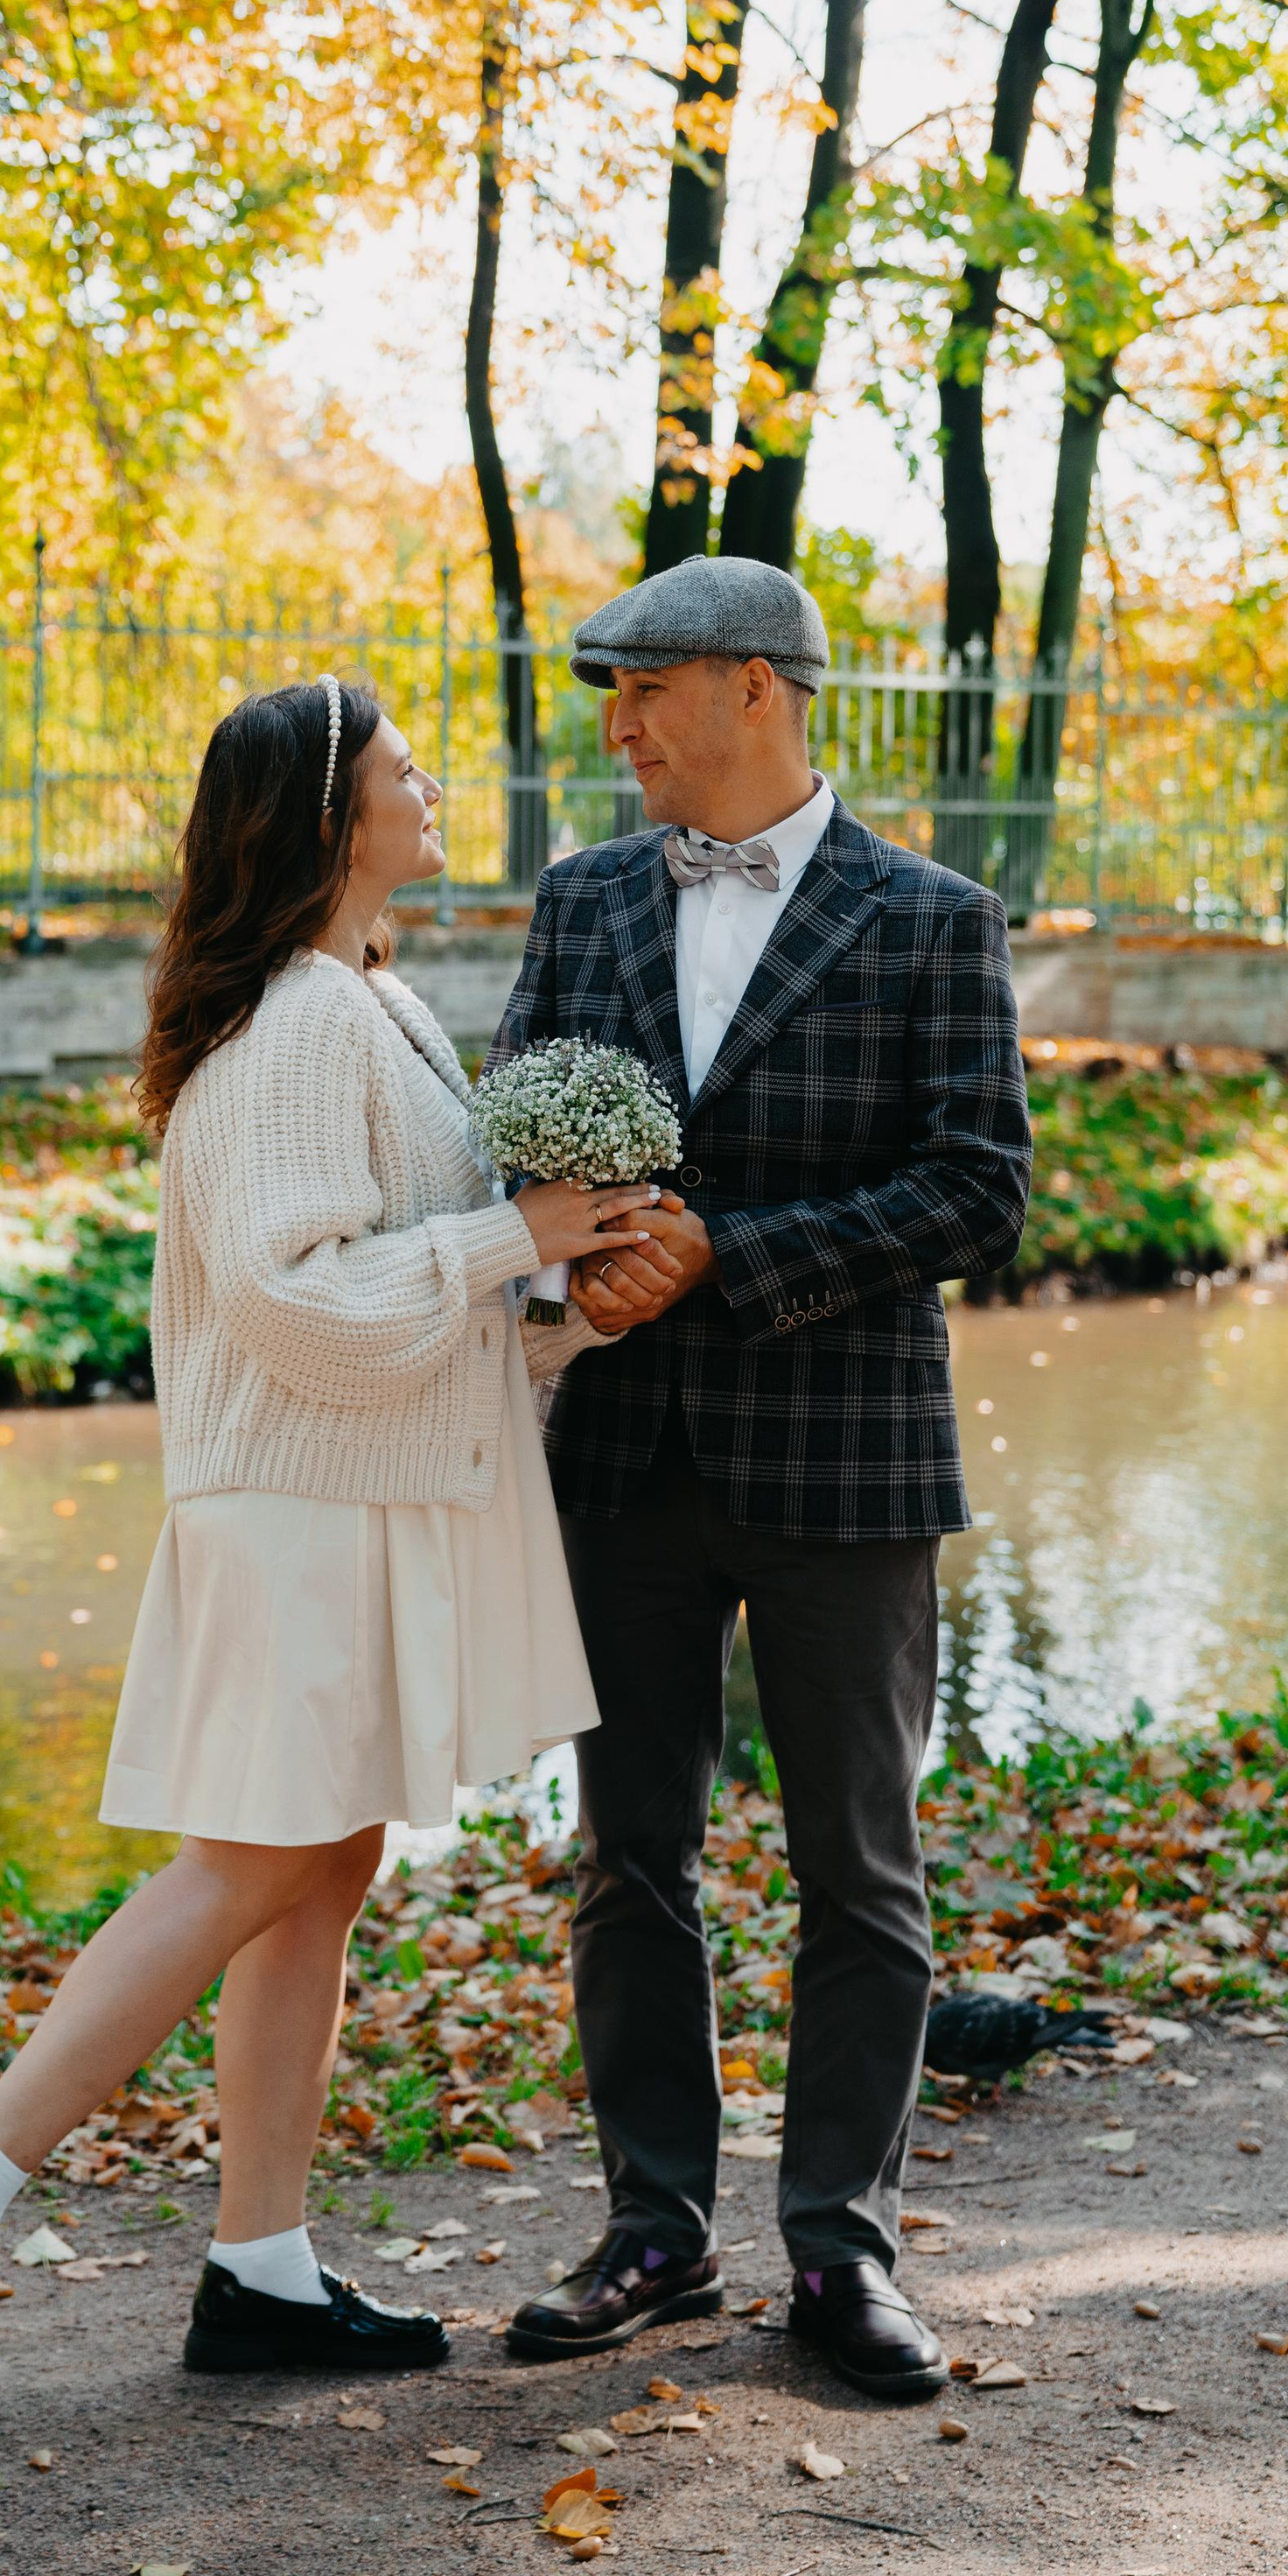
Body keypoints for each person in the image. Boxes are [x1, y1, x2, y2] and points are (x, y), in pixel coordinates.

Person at [0, 673, 655, 2407]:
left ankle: (258, 2266)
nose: (428, 781)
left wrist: (569, 1298)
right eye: (395, 766)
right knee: (251, 1862)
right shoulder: (296, 1017)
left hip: (344, 1499)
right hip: (299, 1511)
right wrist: (499, 1241)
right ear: (321, 815)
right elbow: (298, 1302)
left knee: (322, 1861)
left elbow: (413, 1295)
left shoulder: (364, 1000)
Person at [494, 555, 1032, 2401]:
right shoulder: (577, 901)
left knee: (855, 1872)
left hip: (846, 1462)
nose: (615, 728)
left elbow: (978, 1185)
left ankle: (840, 2250)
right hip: (622, 1457)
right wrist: (575, 1255)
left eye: (636, 692)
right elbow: (518, 1133)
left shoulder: (929, 916)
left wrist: (732, 1247)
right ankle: (650, 2223)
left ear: (748, 685)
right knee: (625, 1859)